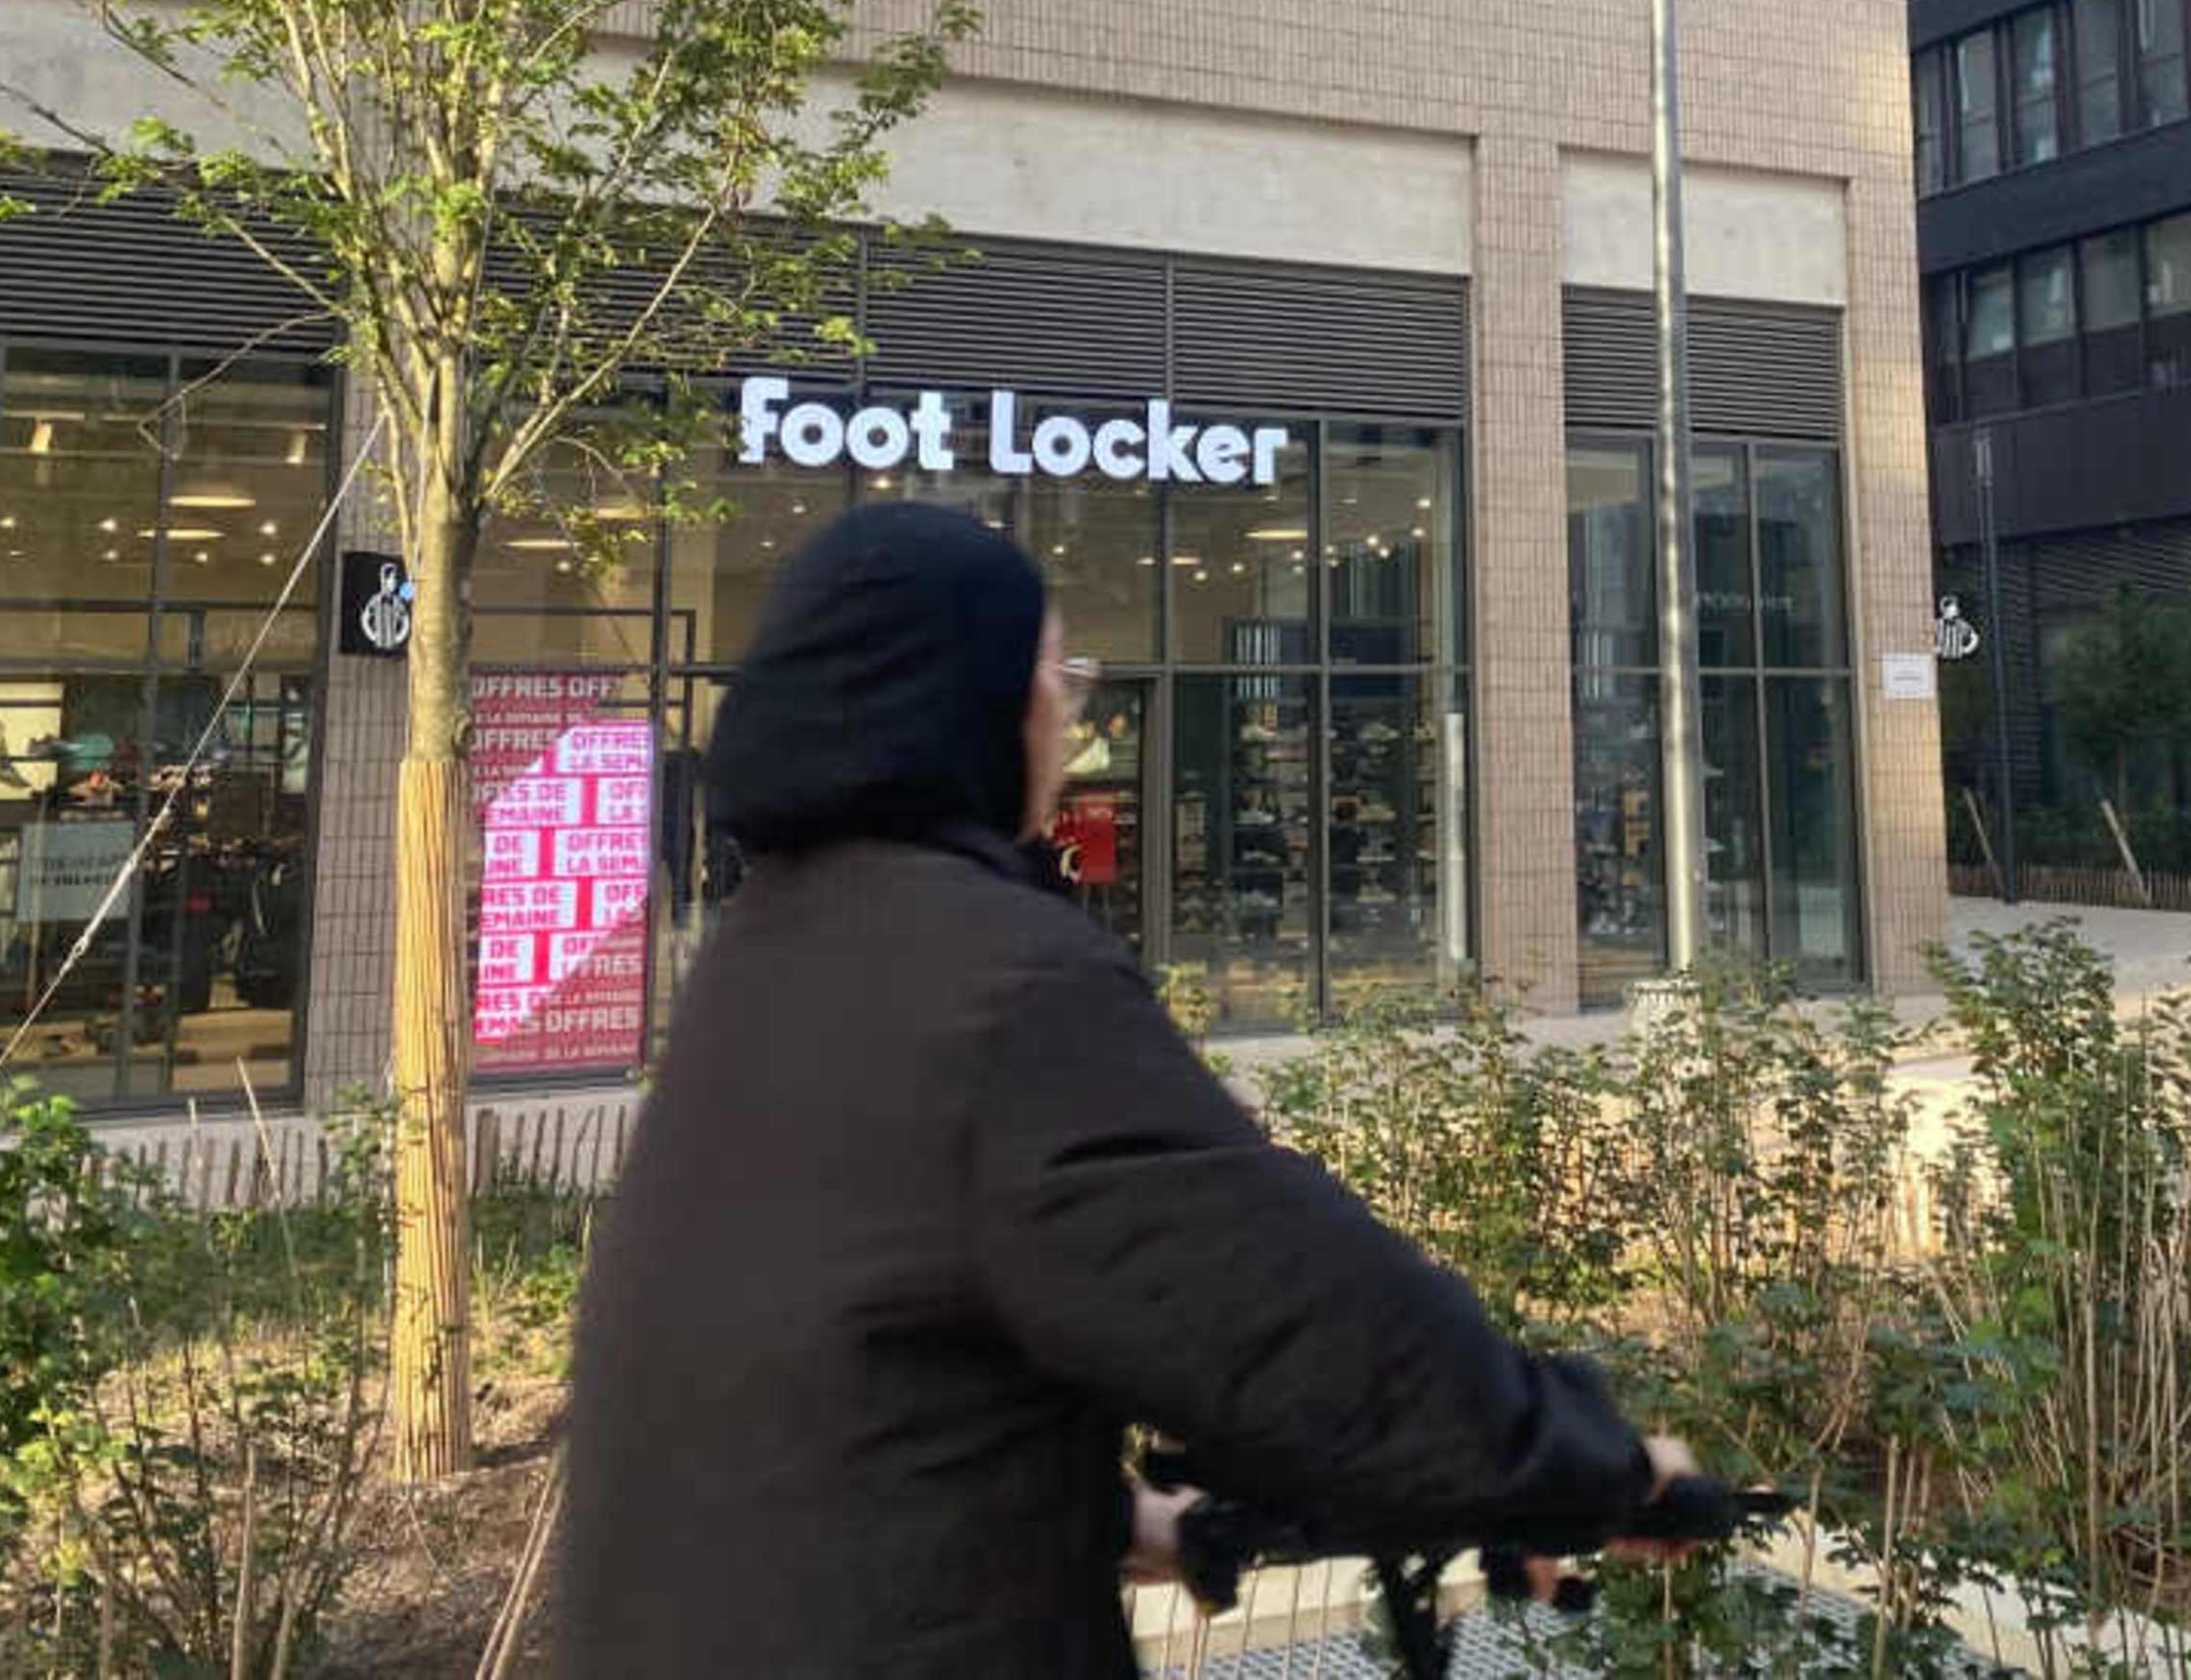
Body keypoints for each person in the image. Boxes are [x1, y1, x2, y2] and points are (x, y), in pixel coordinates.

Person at [560, 503, 1681, 1676]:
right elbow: (1295, 1317)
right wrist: (1586, 1465)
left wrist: (1122, 1522)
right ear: (974, 701)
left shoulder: (766, 964)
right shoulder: (996, 985)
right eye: (1057, 673)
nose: (1071, 715)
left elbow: (850, 1379)